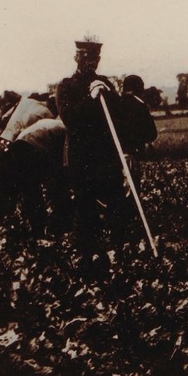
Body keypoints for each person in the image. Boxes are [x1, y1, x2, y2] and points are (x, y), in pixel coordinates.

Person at [56, 38, 124, 270]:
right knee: (85, 206)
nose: (90, 62)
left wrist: (109, 94)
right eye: (85, 57)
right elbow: (70, 118)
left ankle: (117, 251)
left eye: (94, 58)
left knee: (115, 200)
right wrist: (90, 98)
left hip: (106, 155)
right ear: (76, 58)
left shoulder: (105, 83)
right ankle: (86, 256)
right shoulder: (65, 86)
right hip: (81, 156)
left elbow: (119, 115)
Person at [0, 117, 71, 238]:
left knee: (34, 189)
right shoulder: (62, 128)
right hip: (31, 144)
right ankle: (42, 227)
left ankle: (42, 226)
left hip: (31, 142)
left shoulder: (61, 129)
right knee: (33, 188)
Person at [112, 75, 158, 192]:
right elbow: (152, 134)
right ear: (139, 89)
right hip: (132, 155)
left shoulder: (114, 103)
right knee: (133, 191)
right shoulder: (140, 105)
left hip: (114, 156)